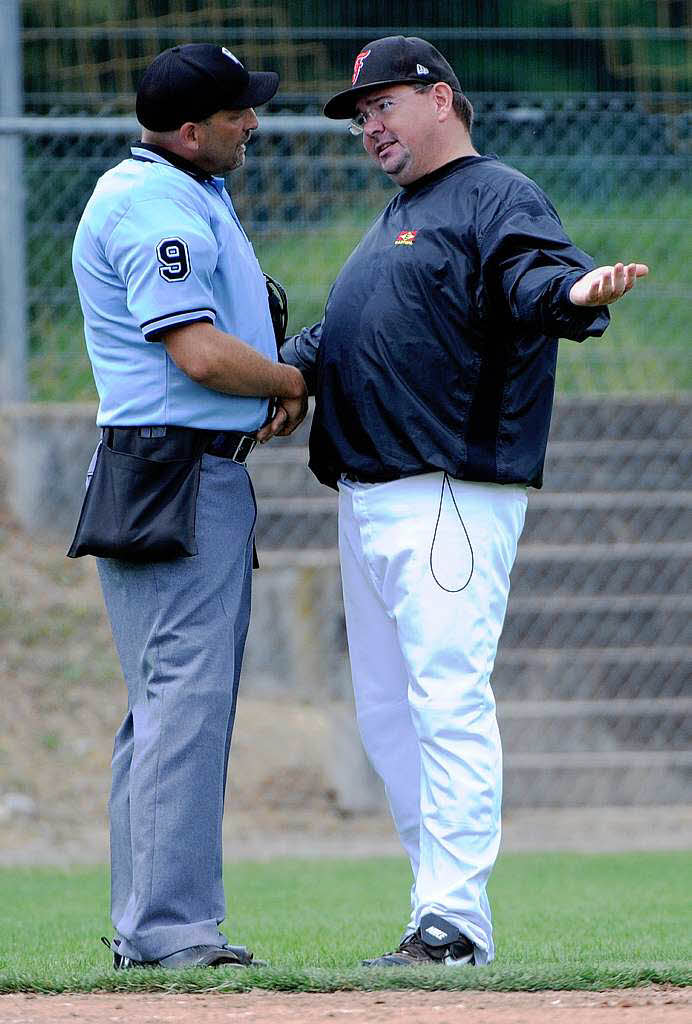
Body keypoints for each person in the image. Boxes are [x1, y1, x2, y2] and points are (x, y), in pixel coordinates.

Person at [281, 35, 648, 967]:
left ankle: (456, 919)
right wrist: (276, 370)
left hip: (446, 493)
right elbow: (347, 332)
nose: (369, 125)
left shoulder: (495, 193)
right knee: (386, 714)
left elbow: (534, 279)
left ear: (440, 98)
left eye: (383, 105)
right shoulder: (399, 217)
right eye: (360, 115)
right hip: (371, 495)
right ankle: (434, 907)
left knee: (445, 701)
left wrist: (574, 289)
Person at [70, 43, 307, 969]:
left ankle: (148, 930)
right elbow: (200, 355)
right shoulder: (149, 204)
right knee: (184, 705)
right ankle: (169, 933)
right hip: (173, 470)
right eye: (239, 112)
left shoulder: (186, 189)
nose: (253, 121)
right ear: (190, 129)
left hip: (180, 466)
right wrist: (288, 378)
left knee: (166, 706)